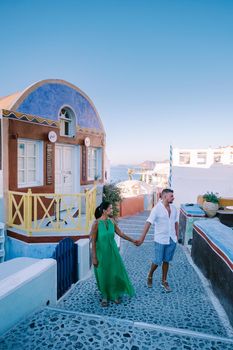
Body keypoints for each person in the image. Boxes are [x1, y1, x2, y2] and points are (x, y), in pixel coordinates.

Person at [91, 201, 136, 306]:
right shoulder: (96, 224)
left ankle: (114, 294)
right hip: (101, 254)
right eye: (110, 208)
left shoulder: (112, 221)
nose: (112, 210)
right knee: (103, 274)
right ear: (104, 211)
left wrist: (133, 240)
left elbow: (121, 234)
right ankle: (105, 296)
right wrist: (94, 256)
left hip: (113, 253)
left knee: (114, 273)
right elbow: (93, 241)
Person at [136, 188, 178, 292]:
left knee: (166, 261)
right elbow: (148, 222)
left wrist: (176, 236)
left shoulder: (174, 208)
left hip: (172, 238)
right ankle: (150, 275)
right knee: (158, 261)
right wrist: (142, 238)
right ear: (164, 196)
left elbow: (176, 222)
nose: (173, 197)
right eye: (171, 196)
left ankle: (164, 281)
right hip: (160, 239)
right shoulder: (156, 209)